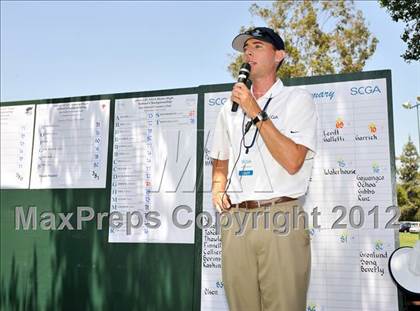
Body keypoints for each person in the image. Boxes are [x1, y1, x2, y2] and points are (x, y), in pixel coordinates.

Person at [209, 27, 317, 311]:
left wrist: (254, 109)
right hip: (236, 221)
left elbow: (293, 161)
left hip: (280, 215)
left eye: (257, 46)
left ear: (278, 55)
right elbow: (220, 156)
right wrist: (217, 188)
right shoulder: (227, 109)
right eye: (246, 48)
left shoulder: (297, 100)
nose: (248, 52)